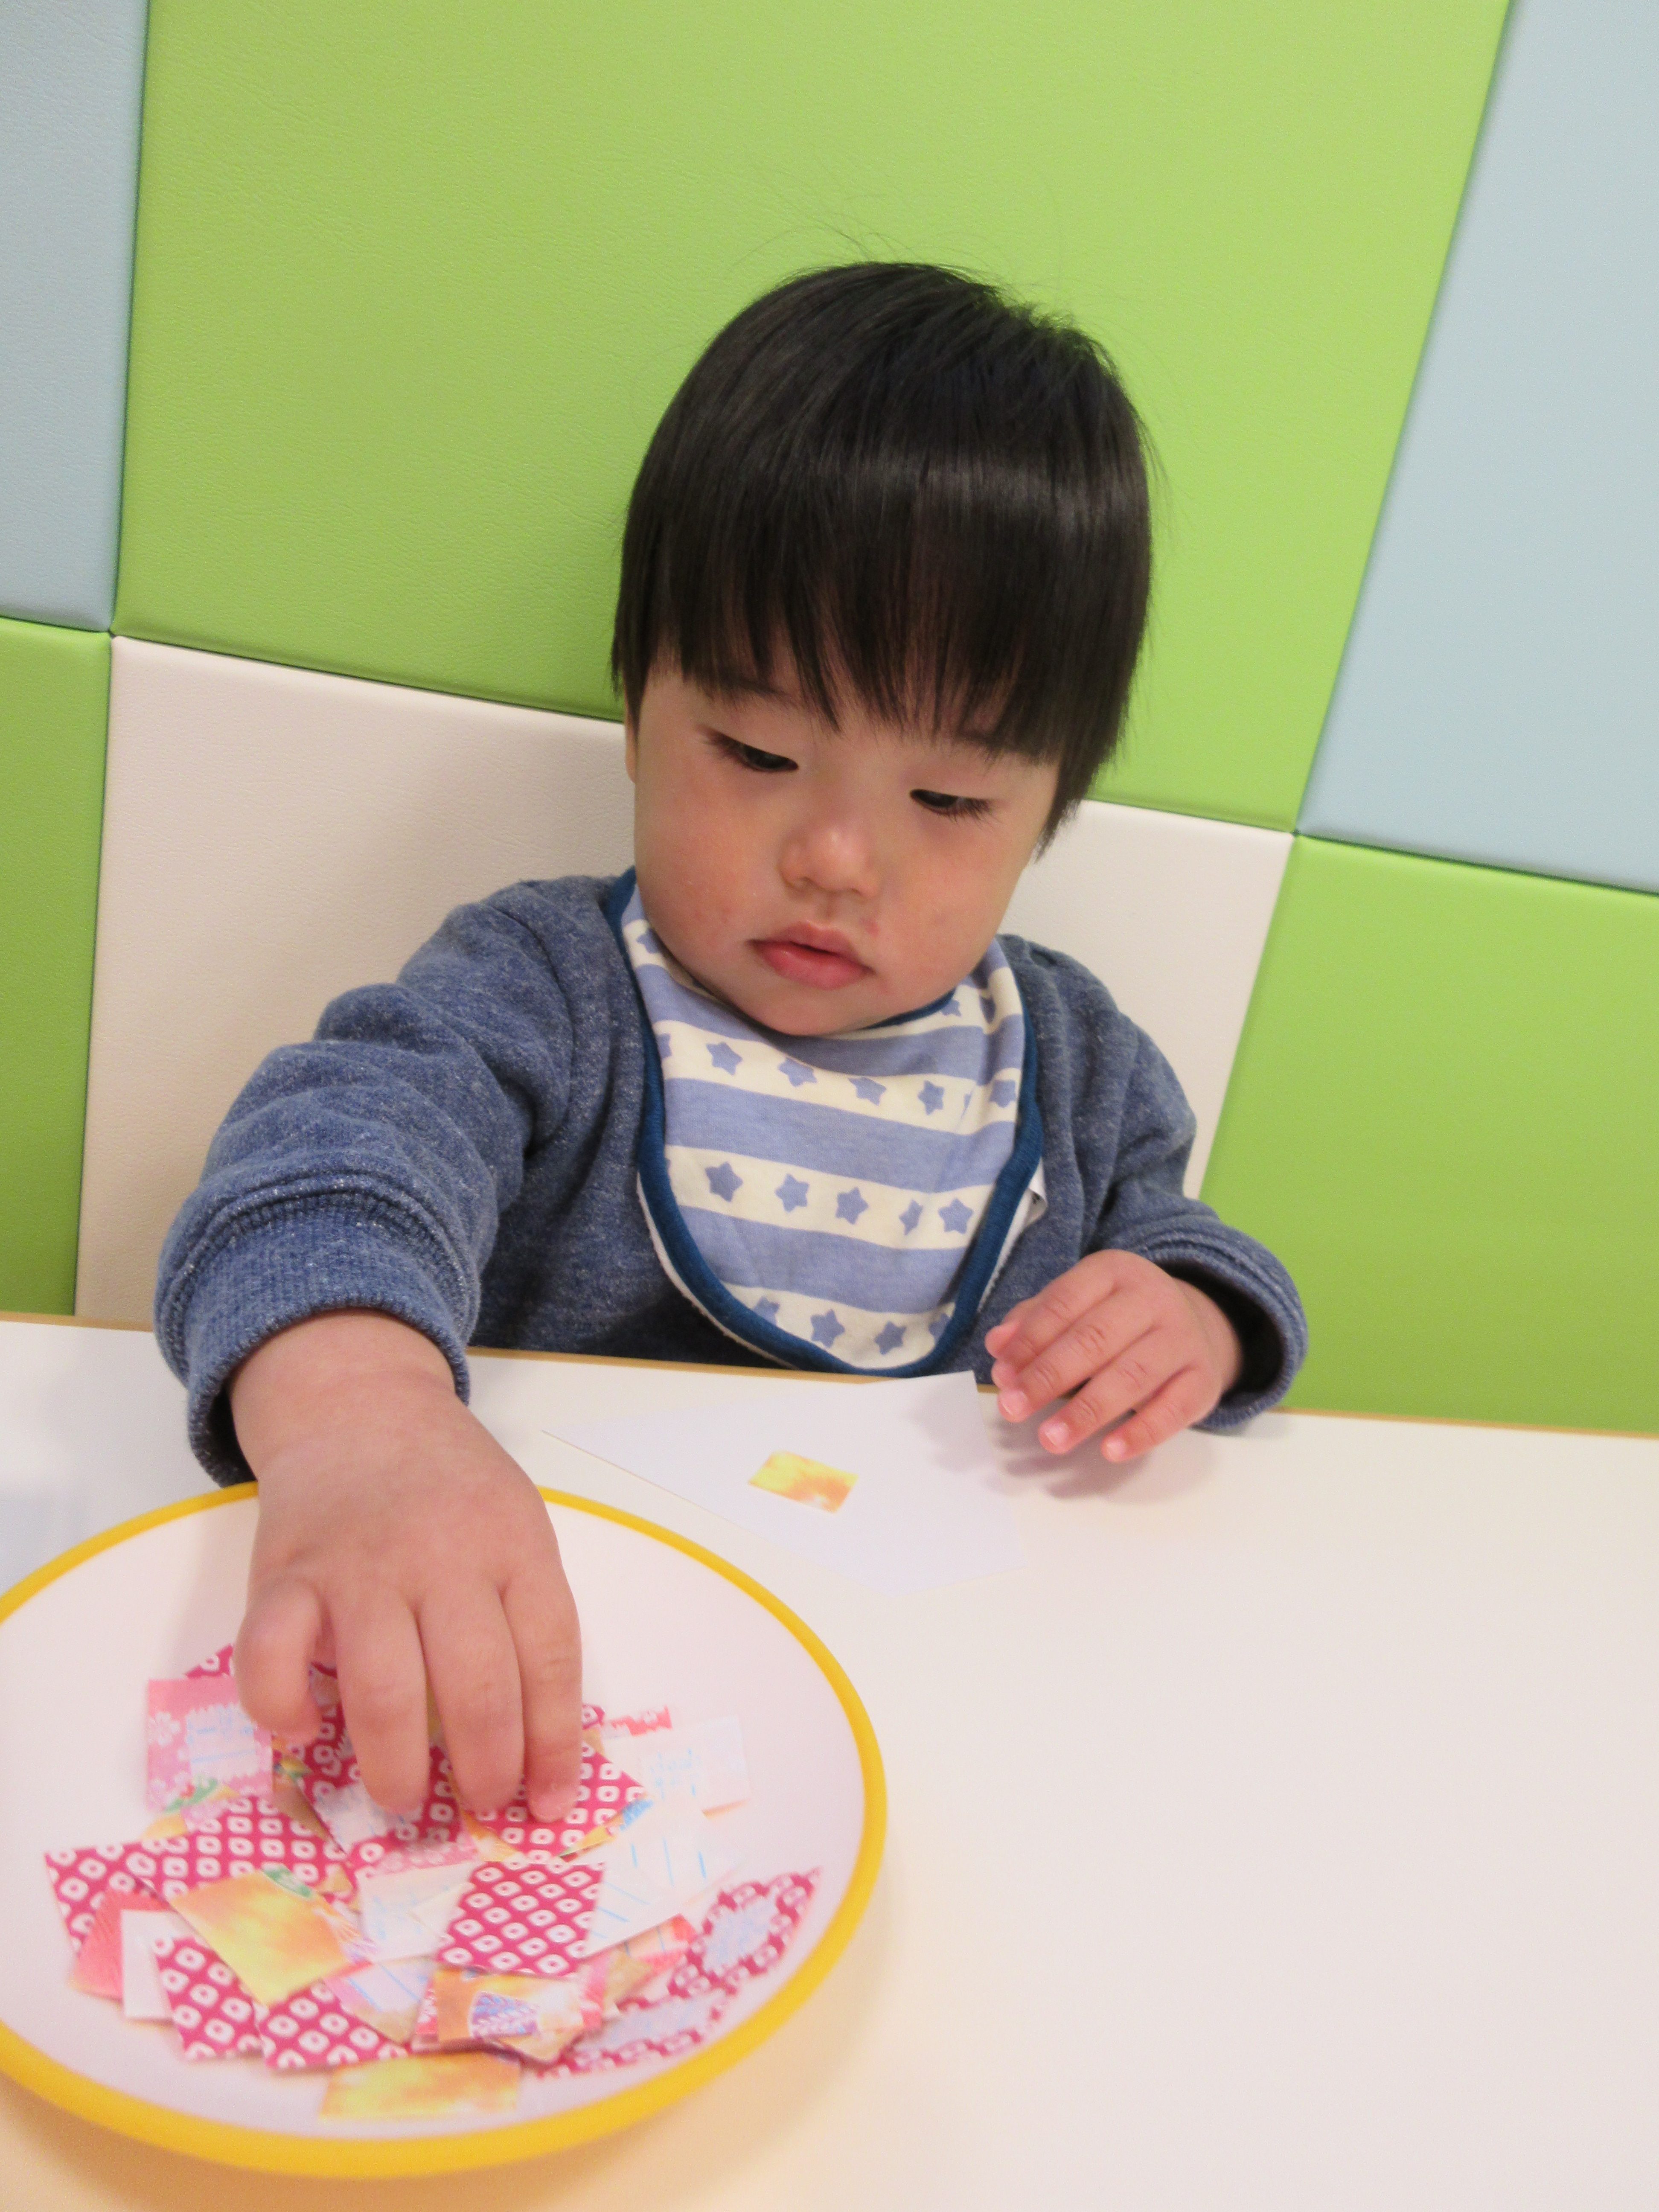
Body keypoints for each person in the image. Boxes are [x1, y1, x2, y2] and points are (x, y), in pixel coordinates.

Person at [155, 263, 1307, 1831]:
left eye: (950, 800)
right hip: (540, 1684)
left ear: (1051, 811)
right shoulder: (547, 988)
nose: (836, 858)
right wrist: (362, 1420)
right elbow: (330, 1156)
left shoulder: (1078, 1067)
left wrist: (1196, 1322)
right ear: (638, 717)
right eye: (760, 752)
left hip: (946, 1731)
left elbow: (1180, 1243)